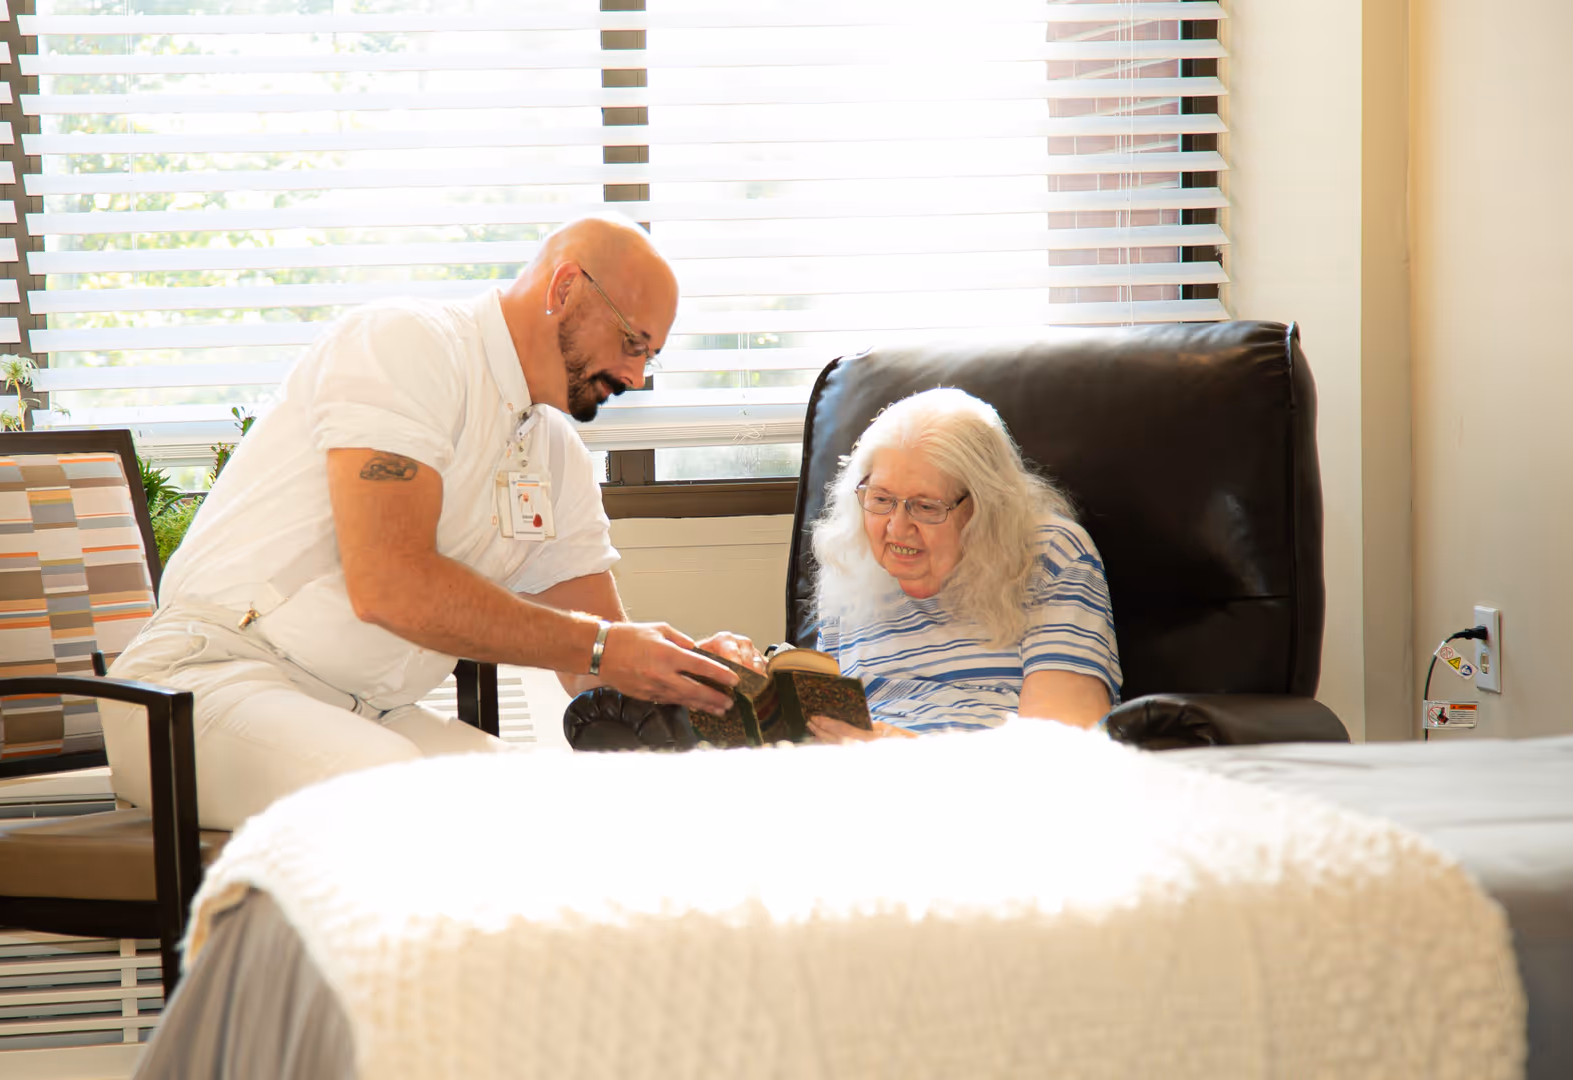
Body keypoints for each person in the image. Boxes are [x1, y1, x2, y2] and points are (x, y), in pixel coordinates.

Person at [98, 215, 753, 830]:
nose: (637, 376)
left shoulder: (556, 455)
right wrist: (607, 646)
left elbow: (592, 661)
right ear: (564, 287)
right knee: (406, 804)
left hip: (366, 712)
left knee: (556, 816)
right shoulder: (407, 346)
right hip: (199, 683)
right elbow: (390, 586)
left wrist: (691, 669)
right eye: (633, 342)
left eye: (652, 356)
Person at [802, 388, 1120, 743]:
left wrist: (901, 753)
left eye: (925, 506)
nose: (896, 528)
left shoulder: (1049, 555)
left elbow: (1063, 744)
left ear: (985, 507)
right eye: (881, 499)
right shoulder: (850, 564)